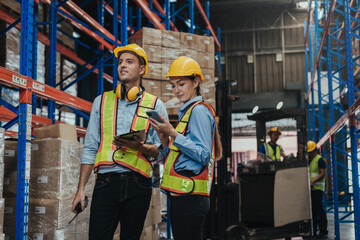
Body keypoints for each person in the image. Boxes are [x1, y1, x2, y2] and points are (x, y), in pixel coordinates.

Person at [72, 43, 168, 240]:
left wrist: (139, 147)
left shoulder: (156, 105)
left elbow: (163, 151)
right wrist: (80, 190)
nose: (122, 65)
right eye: (120, 62)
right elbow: (90, 147)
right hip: (106, 182)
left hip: (138, 184)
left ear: (141, 69)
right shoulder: (102, 101)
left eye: (129, 62)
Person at [148, 56, 223, 240]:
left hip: (191, 197)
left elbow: (203, 155)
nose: (176, 91)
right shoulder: (187, 113)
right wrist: (166, 140)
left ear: (195, 82)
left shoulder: (198, 111)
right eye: (173, 86)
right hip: (184, 196)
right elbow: (179, 157)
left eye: (181, 84)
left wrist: (173, 134)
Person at [307, 140, 328, 238]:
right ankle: (314, 230)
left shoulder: (319, 159)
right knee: (313, 211)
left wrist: (313, 181)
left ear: (315, 150)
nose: (309, 154)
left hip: (318, 188)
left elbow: (323, 173)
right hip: (311, 189)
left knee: (319, 210)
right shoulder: (309, 160)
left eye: (311, 152)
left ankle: (323, 230)